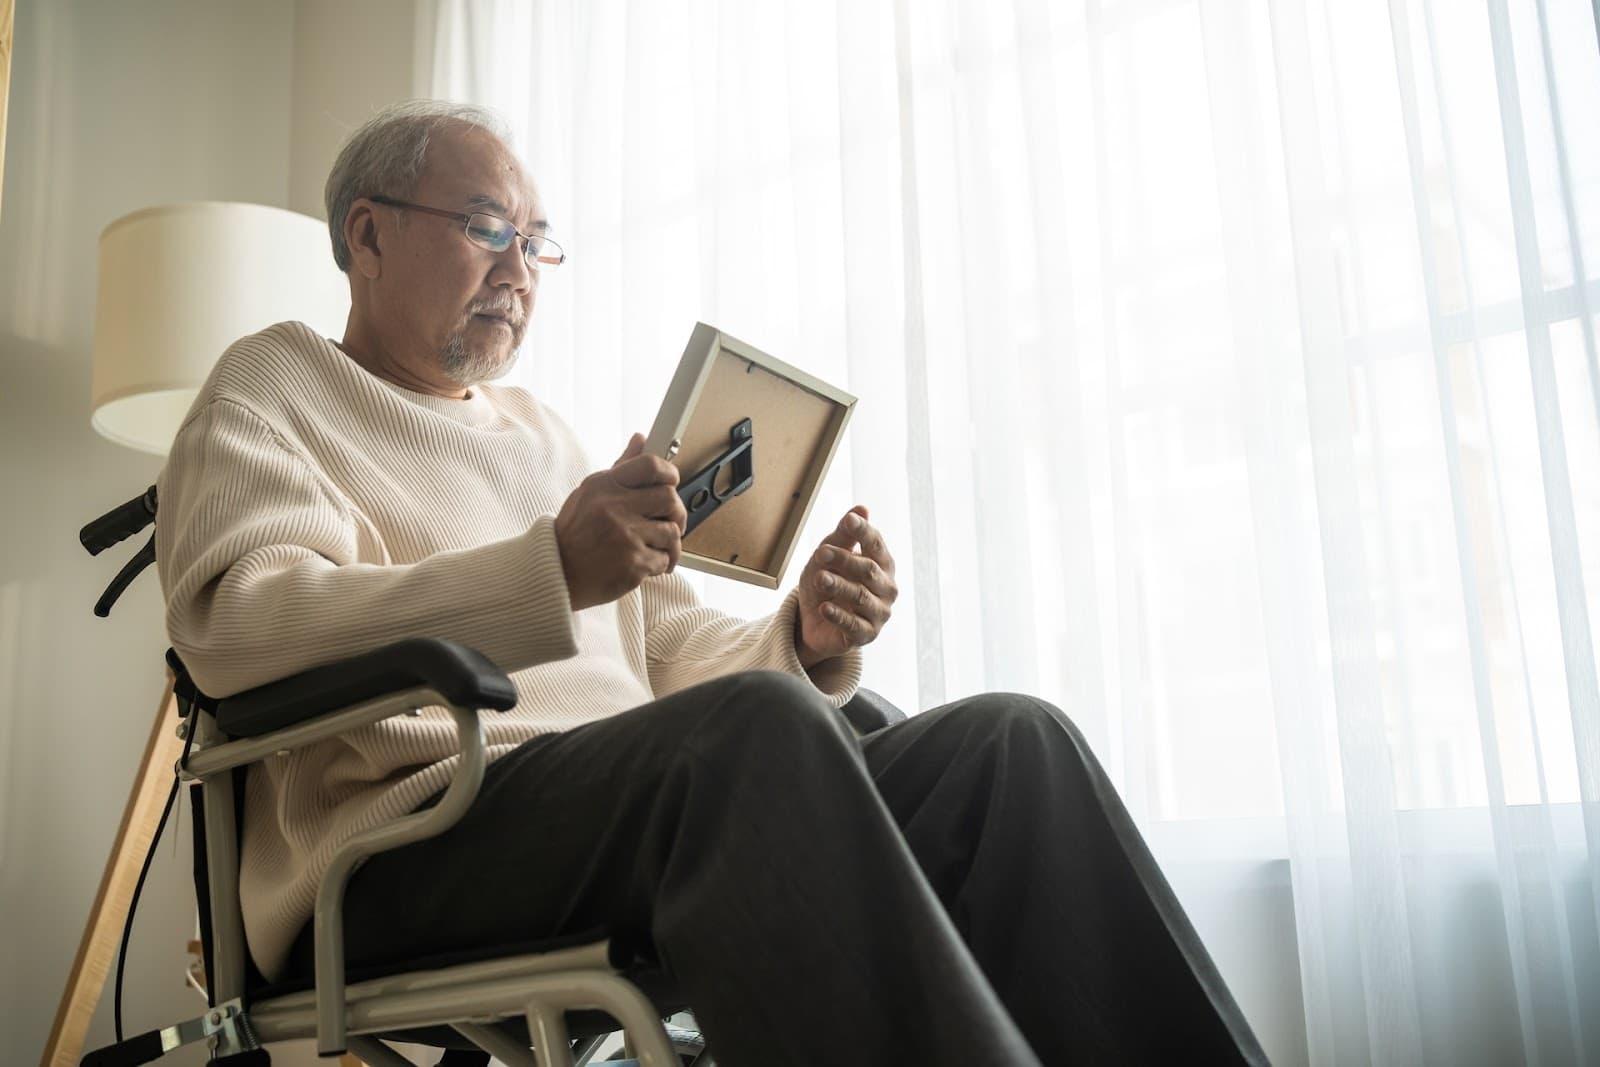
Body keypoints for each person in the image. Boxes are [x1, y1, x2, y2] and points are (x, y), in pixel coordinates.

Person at [155, 99, 1266, 1066]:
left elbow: (672, 648)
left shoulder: (540, 432)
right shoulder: (274, 384)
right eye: (490, 227)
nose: (518, 267)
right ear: (368, 234)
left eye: (538, 244)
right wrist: (548, 570)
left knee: (1008, 744)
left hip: (621, 798)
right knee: (747, 736)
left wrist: (806, 636)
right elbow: (232, 628)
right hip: (413, 838)